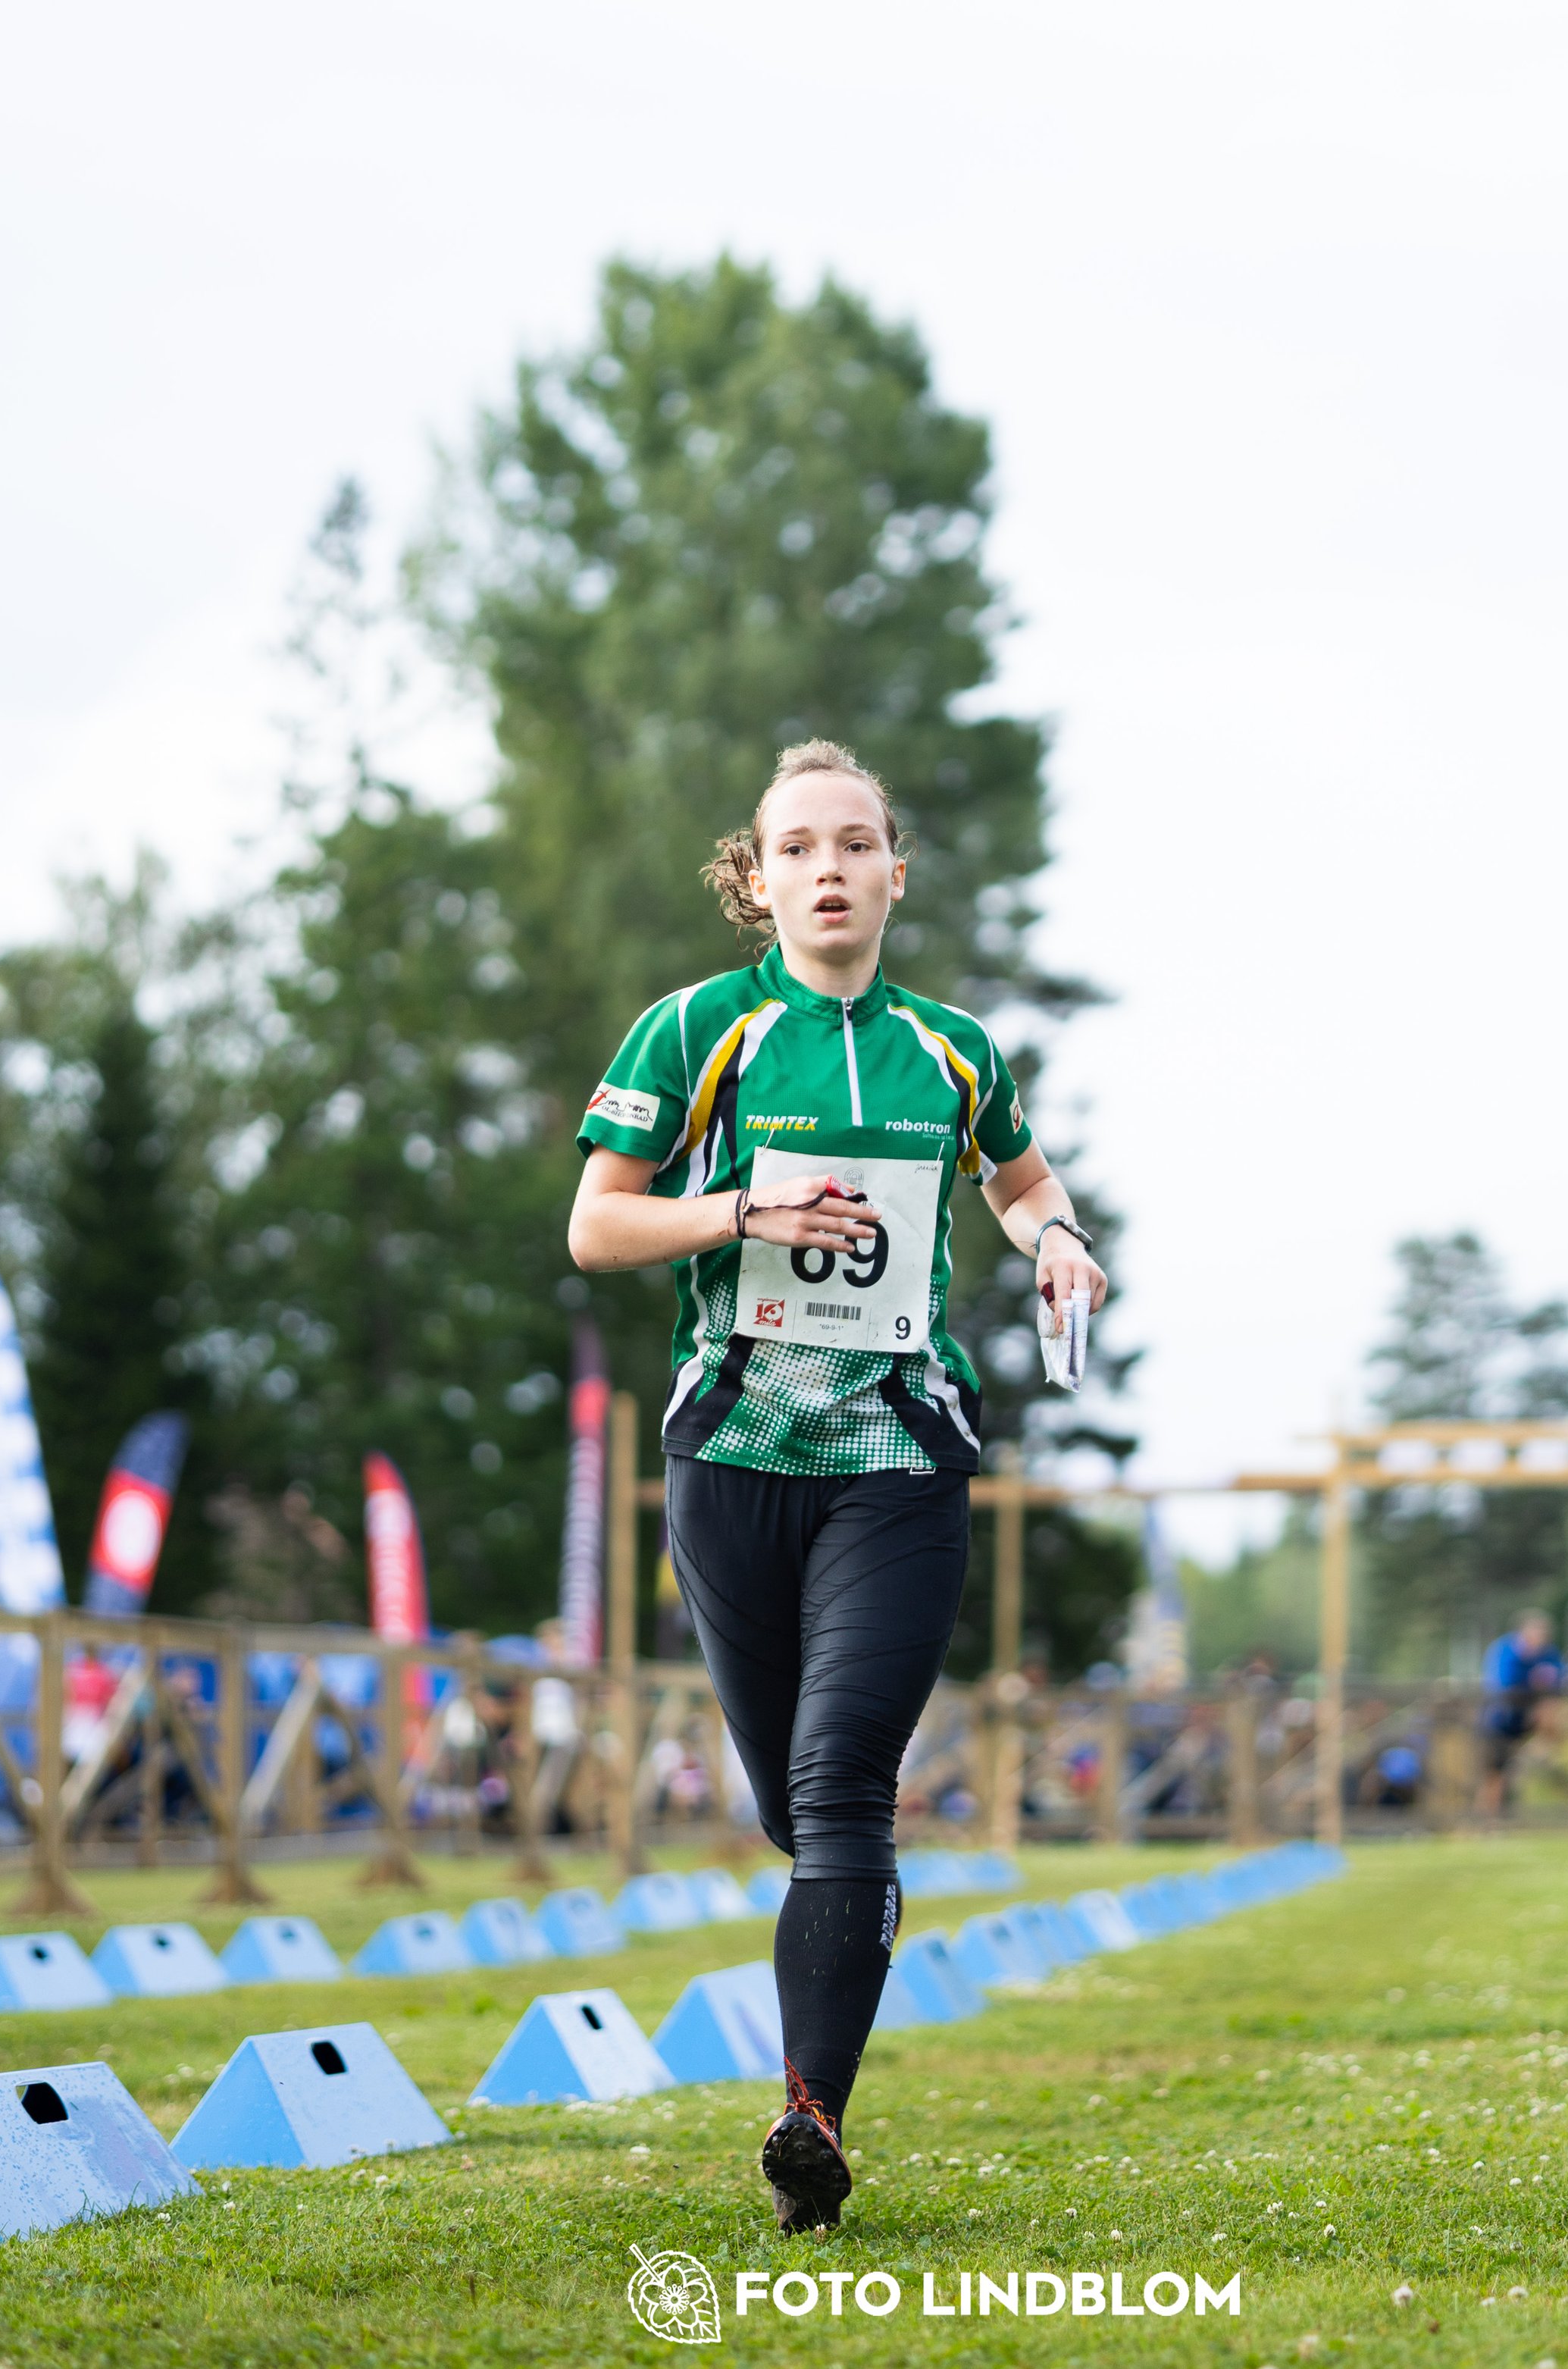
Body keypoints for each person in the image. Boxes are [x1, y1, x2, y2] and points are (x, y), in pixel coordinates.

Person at [567, 739, 1106, 2233]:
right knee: (792, 1809)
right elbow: (596, 1227)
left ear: (893, 872)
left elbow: (1019, 1179)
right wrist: (740, 1208)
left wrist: (1059, 1238)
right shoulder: (700, 1028)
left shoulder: (953, 1047)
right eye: (796, 846)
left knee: (845, 1784)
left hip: (898, 1454)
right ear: (757, 879)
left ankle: (812, 2118)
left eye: (854, 843)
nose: (828, 869)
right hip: (733, 1455)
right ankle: (833, 1934)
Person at [1476, 1609, 1566, 1816]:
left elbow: (1561, 1675)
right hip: (1500, 1720)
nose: (1540, 1640)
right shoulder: (1505, 1651)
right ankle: (1488, 1817)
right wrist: (1534, 1680)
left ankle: (1536, 1755)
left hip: (1528, 1718)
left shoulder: (1548, 1653)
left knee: (1552, 1708)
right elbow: (1503, 1685)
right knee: (1495, 1773)